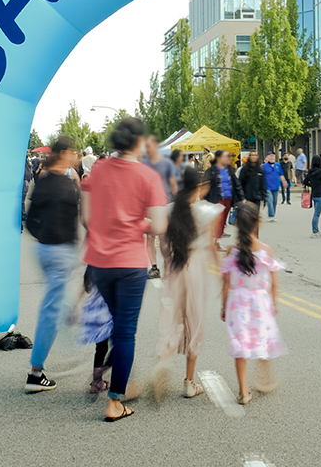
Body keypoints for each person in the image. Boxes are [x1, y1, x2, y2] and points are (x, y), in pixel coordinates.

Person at [81, 117, 169, 422]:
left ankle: (119, 377)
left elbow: (87, 219)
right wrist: (135, 221)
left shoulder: (98, 170)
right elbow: (158, 225)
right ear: (139, 142)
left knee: (119, 324)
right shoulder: (147, 176)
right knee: (126, 331)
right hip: (130, 262)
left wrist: (111, 220)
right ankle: (115, 400)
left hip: (99, 262)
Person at [153, 166, 221, 402]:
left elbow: (162, 245)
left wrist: (169, 265)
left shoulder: (169, 210)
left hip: (175, 269)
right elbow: (212, 247)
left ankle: (162, 362)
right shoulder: (205, 212)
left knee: (172, 317)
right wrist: (223, 274)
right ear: (200, 187)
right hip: (195, 269)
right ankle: (189, 383)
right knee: (194, 321)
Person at [24, 136, 82, 393]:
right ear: (65, 153)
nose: (75, 157)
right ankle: (36, 372)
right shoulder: (67, 185)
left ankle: (69, 317)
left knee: (57, 301)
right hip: (61, 252)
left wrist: (43, 238)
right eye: (73, 153)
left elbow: (30, 219)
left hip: (44, 250)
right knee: (51, 309)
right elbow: (73, 223)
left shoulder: (43, 181)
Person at [220, 202, 287, 406]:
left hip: (237, 304)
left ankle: (243, 391)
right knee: (263, 336)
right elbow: (273, 284)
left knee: (240, 346)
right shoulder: (266, 250)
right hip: (260, 302)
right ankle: (264, 372)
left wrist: (223, 307)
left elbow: (225, 283)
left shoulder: (231, 251)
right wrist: (273, 303)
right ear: (259, 222)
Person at [141, 136, 181, 279]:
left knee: (164, 238)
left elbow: (174, 186)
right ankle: (154, 267)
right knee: (151, 237)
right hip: (149, 205)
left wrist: (178, 205)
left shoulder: (167, 164)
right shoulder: (142, 165)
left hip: (165, 204)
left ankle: (168, 264)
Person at [205, 150, 243, 246]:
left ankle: (217, 238)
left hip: (228, 198)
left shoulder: (229, 170)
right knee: (220, 219)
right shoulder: (211, 171)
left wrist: (242, 197)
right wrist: (204, 199)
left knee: (223, 220)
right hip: (217, 198)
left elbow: (236, 183)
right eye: (226, 157)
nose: (228, 159)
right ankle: (216, 239)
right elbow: (205, 185)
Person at [302, 163, 321, 238]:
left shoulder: (310, 172)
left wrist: (312, 185)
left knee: (316, 213)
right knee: (317, 214)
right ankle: (315, 231)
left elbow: (305, 182)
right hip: (320, 194)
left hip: (313, 194)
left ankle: (316, 231)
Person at [240, 151, 267, 215]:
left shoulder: (260, 170)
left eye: (255, 155)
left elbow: (263, 184)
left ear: (257, 157)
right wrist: (241, 197)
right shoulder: (244, 170)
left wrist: (264, 196)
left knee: (255, 216)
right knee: (247, 216)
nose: (254, 157)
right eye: (252, 155)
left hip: (257, 197)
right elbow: (240, 184)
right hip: (247, 198)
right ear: (249, 157)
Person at [262, 152, 284, 222]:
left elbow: (281, 174)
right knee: (269, 200)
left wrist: (284, 181)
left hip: (276, 186)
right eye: (270, 156)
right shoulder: (264, 166)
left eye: (273, 156)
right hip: (267, 186)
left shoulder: (278, 165)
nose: (272, 158)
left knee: (274, 201)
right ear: (267, 158)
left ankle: (273, 214)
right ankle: (271, 215)